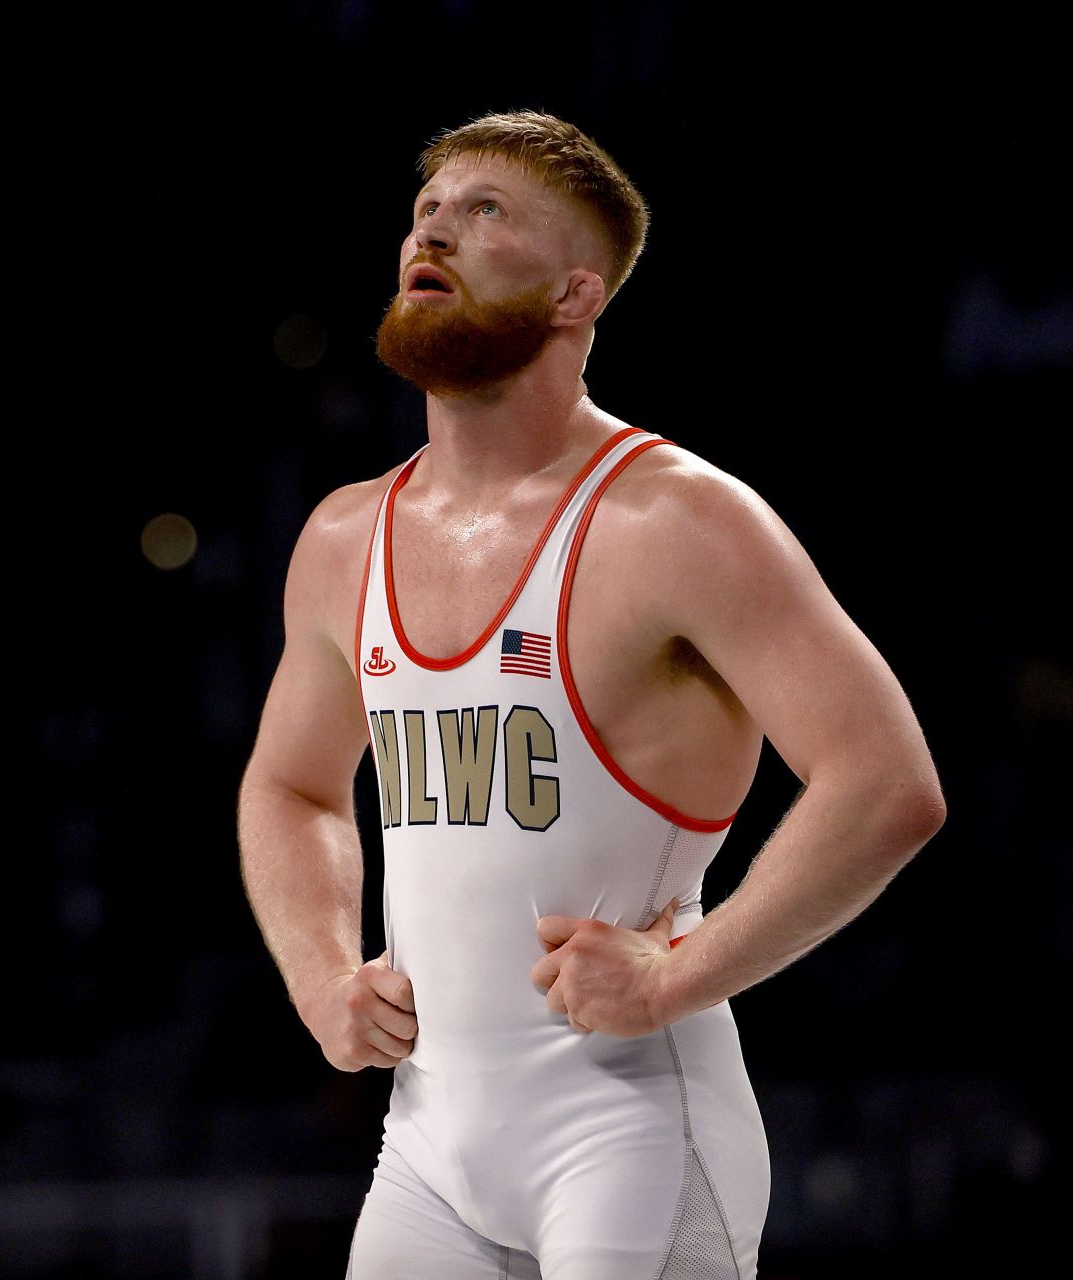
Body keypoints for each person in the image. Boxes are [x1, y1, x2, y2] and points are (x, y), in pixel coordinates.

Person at [236, 110, 946, 1279]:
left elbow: (888, 782)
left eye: (485, 211)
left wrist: (682, 970)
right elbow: (292, 782)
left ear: (576, 296)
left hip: (627, 1131)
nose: (436, 230)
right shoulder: (342, 536)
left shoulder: (676, 519)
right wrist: (319, 970)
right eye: (427, 211)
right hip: (425, 1149)